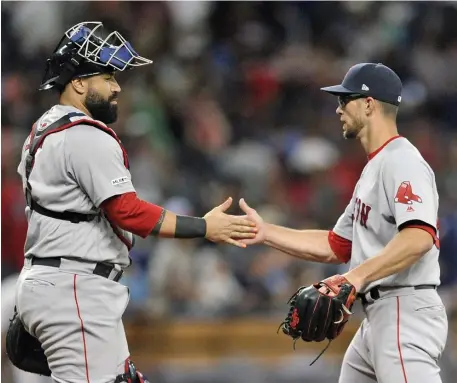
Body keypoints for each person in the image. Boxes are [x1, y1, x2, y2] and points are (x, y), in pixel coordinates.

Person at [12, 21, 256, 383]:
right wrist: (205, 227)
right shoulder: (83, 135)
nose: (116, 87)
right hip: (74, 287)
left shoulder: (43, 129)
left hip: (53, 281)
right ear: (78, 83)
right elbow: (127, 212)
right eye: (107, 77)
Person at [239, 63, 448, 383]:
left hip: (404, 310)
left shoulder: (402, 161)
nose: (338, 109)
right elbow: (336, 245)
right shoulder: (375, 167)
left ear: (368, 104)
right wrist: (265, 232)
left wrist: (354, 278)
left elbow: (419, 237)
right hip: (377, 315)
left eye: (344, 99)